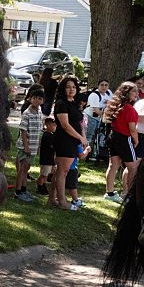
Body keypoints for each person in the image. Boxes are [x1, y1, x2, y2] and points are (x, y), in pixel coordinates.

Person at [51, 76, 87, 210]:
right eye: (68, 87)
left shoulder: (74, 102)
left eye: (73, 87)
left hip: (74, 140)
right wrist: (80, 137)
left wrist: (82, 137)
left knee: (60, 171)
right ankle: (62, 201)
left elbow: (79, 122)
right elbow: (65, 125)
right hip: (64, 140)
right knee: (63, 171)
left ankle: (52, 198)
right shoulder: (61, 103)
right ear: (63, 89)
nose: (71, 89)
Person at [104, 82, 141, 202]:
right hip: (125, 139)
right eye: (134, 91)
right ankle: (130, 195)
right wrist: (136, 140)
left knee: (113, 165)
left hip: (114, 136)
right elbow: (132, 129)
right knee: (133, 168)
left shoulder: (116, 106)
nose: (137, 93)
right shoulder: (129, 109)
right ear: (127, 93)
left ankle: (109, 193)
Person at [14, 87, 45, 202]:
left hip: (33, 145)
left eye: (40, 98)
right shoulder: (27, 113)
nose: (37, 100)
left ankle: (23, 189)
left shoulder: (39, 110)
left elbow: (39, 128)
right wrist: (26, 146)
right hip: (25, 146)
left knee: (26, 169)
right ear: (30, 99)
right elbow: (23, 131)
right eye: (35, 98)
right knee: (22, 169)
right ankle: (18, 192)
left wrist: (37, 146)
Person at [86, 79, 112, 146]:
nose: (104, 87)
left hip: (100, 118)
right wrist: (108, 117)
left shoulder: (108, 93)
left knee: (100, 134)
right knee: (89, 135)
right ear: (98, 86)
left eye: (106, 85)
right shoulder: (94, 95)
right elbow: (96, 111)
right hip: (91, 117)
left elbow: (112, 103)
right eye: (102, 85)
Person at [36, 117, 57, 195]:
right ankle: (40, 186)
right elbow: (52, 146)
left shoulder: (51, 135)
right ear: (48, 125)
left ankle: (42, 185)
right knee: (44, 175)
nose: (55, 127)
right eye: (53, 125)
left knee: (46, 174)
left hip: (49, 158)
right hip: (46, 159)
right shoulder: (47, 136)